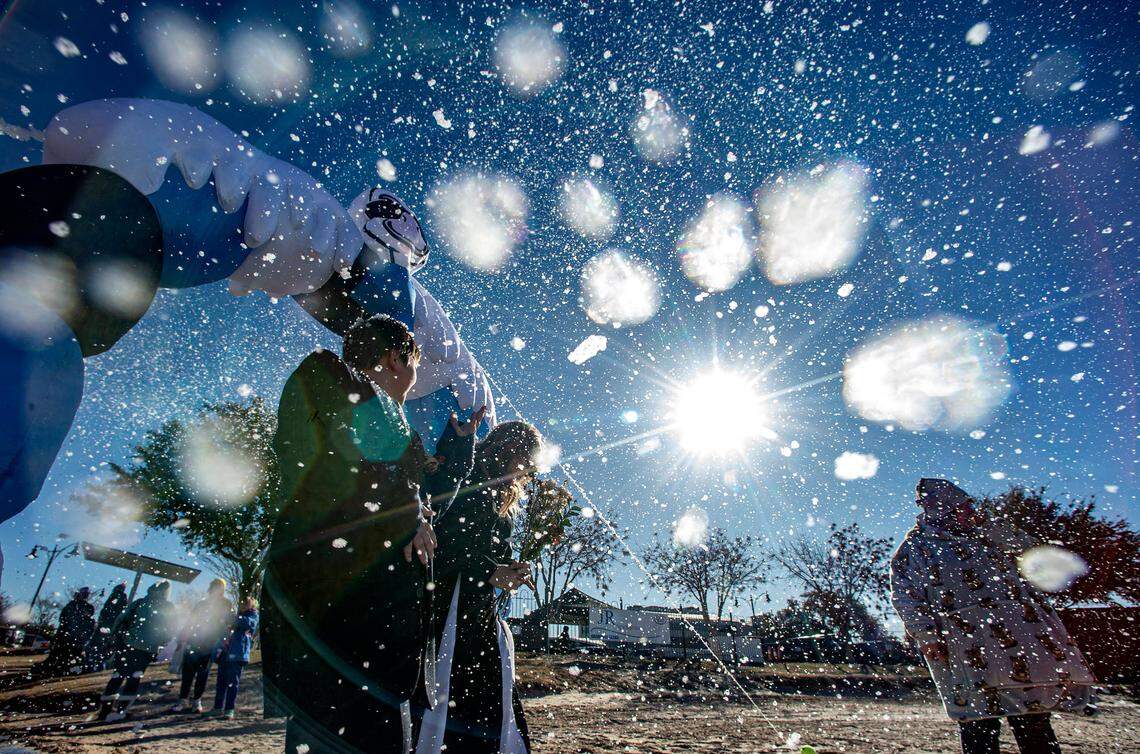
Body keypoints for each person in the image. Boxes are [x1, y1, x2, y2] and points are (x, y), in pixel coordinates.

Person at [261, 314, 481, 753]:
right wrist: (408, 512)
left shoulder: (399, 432)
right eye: (414, 363)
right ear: (395, 358)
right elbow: (344, 477)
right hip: (335, 622)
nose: (417, 376)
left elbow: (426, 500)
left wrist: (457, 449)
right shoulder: (328, 376)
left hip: (382, 635)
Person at [890, 478, 1096, 754]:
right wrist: (926, 635)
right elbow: (906, 597)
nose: (970, 510)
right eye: (963, 506)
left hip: (1019, 645)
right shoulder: (916, 549)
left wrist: (991, 528)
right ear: (944, 509)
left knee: (1033, 722)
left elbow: (1035, 554)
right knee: (979, 725)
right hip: (966, 646)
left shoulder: (989, 537)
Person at [417, 420, 542, 754]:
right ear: (506, 448)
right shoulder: (468, 475)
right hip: (449, 607)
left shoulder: (505, 496)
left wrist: (512, 569)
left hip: (481, 612)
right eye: (523, 460)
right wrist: (489, 570)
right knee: (450, 697)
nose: (524, 470)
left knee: (485, 705)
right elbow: (446, 542)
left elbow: (493, 551)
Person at [96, 580, 176, 722]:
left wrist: (113, 635)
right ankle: (122, 711)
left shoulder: (140, 602)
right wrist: (161, 642)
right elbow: (170, 629)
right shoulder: (168, 607)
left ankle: (105, 710)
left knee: (118, 675)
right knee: (134, 678)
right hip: (147, 649)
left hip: (128, 644)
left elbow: (121, 618)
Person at [170, 578, 233, 713]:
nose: (216, 589)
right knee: (188, 673)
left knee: (203, 673)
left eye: (219, 587)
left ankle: (197, 701)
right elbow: (190, 622)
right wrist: (182, 638)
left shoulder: (226, 604)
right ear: (211, 588)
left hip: (211, 643)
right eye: (214, 586)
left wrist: (225, 640)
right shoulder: (201, 604)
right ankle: (182, 700)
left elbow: (228, 624)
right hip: (194, 641)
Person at [205, 596, 259, 719]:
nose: (242, 604)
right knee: (221, 682)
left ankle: (229, 709)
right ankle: (217, 707)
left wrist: (231, 617)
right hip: (225, 653)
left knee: (232, 683)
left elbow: (247, 623)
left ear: (252, 604)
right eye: (241, 602)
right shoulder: (234, 617)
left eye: (246, 602)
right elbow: (222, 632)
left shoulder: (253, 616)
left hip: (237, 655)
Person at [42, 586, 95, 675]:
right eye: (84, 593)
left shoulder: (86, 607)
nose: (85, 595)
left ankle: (64, 668)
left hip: (75, 638)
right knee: (60, 653)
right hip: (68, 637)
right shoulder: (73, 605)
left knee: (71, 654)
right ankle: (56, 668)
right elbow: (63, 618)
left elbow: (64, 618)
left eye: (86, 594)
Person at [84, 583, 128, 672]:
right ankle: (99, 664)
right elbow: (122, 613)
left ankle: (91, 665)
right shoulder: (122, 599)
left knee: (96, 645)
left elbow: (105, 610)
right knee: (105, 647)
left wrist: (102, 621)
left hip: (106, 625)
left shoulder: (114, 597)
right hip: (112, 627)